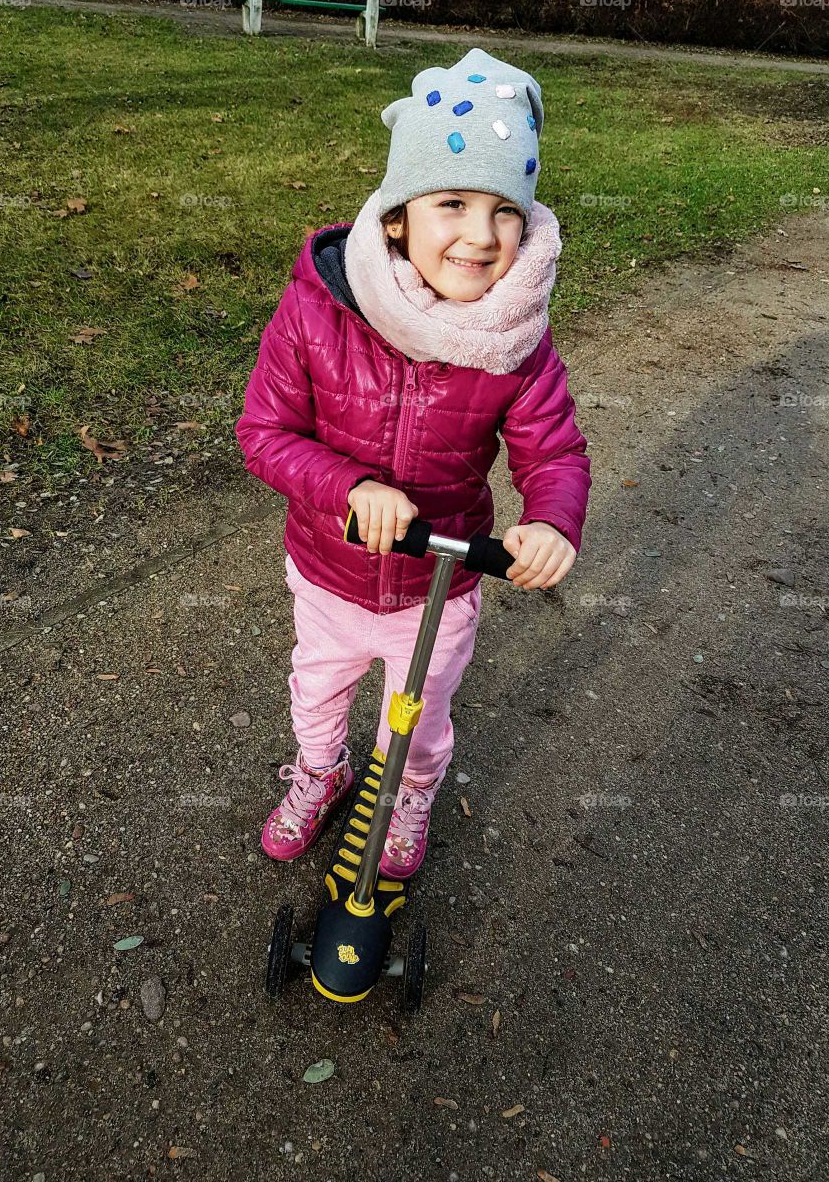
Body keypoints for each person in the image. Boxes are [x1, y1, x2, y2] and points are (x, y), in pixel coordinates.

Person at [235, 47, 591, 880]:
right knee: (316, 694)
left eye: (506, 211)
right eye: (454, 203)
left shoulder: (515, 342)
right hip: (329, 569)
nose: (480, 234)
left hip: (440, 583)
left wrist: (550, 518)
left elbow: (555, 448)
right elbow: (265, 432)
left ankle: (410, 794)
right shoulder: (319, 312)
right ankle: (322, 773)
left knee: (419, 719)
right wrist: (348, 487)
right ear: (398, 217)